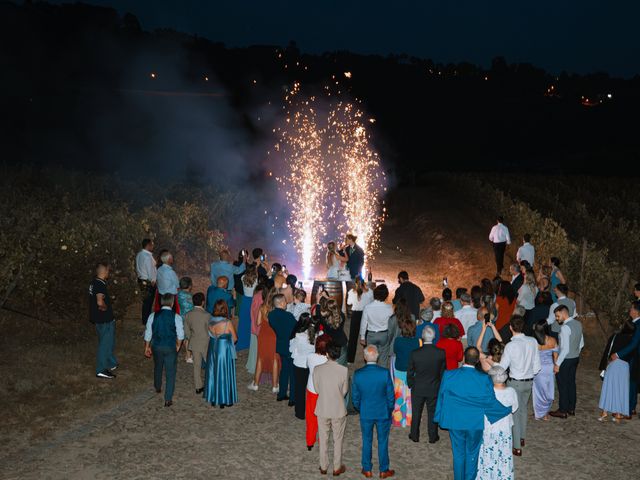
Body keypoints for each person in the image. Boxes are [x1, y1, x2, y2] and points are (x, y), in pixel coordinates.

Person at [435, 347, 511, 480]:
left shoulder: (449, 375)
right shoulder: (484, 379)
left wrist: (438, 416)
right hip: (474, 423)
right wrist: (506, 409)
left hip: (455, 421)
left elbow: (441, 396)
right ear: (477, 361)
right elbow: (490, 401)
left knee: (458, 454)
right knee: (472, 454)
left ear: (464, 357)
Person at [493, 316, 541, 455]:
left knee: (514, 412)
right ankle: (521, 438)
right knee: (523, 410)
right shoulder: (532, 341)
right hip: (529, 381)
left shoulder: (511, 345)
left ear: (510, 328)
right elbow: (537, 365)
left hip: (515, 382)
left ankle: (516, 447)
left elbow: (502, 367)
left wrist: (491, 364)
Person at [352, 345, 395, 479]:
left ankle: (367, 469)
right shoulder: (384, 373)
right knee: (383, 441)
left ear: (365, 357)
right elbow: (390, 395)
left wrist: (360, 407)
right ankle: (383, 469)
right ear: (377, 357)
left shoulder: (358, 374)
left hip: (366, 412)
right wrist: (389, 409)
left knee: (367, 440)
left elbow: (355, 397)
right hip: (382, 412)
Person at [313, 342, 349, 476]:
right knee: (338, 439)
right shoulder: (343, 370)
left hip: (322, 407)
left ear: (327, 354)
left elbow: (317, 389)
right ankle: (337, 467)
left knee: (323, 438)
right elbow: (344, 391)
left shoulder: (317, 369)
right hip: (338, 409)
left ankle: (323, 466)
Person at [477, 366, 519, 480]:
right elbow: (514, 408)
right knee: (504, 454)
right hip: (505, 429)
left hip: (488, 429)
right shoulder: (511, 391)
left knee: (487, 454)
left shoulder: (486, 393)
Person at [143, 293, 184, 407]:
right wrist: (178, 346)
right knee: (171, 372)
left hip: (156, 346)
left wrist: (147, 347)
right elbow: (180, 335)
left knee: (158, 366)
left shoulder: (153, 316)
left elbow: (148, 332)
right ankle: (168, 398)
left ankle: (157, 386)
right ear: (172, 303)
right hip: (170, 346)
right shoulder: (176, 317)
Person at [408, 326, 446, 444]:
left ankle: (414, 435)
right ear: (434, 337)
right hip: (434, 387)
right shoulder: (440, 353)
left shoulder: (415, 353)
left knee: (416, 413)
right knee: (432, 413)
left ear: (422, 337)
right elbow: (443, 371)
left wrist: (411, 384)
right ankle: (433, 436)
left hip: (418, 387)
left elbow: (410, 371)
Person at [549, 305, 584, 418]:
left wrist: (557, 364)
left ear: (564, 313)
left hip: (565, 359)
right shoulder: (578, 324)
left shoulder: (564, 328)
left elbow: (565, 349)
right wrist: (576, 353)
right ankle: (571, 408)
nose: (556, 318)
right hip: (575, 358)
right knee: (571, 383)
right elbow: (581, 343)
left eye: (557, 316)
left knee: (563, 385)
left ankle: (563, 410)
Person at [203, 300, 238, 408]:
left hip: (213, 347)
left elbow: (210, 334)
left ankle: (213, 397)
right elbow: (235, 338)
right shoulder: (227, 323)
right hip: (223, 348)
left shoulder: (210, 320)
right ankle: (223, 399)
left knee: (213, 371)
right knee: (223, 372)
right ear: (225, 309)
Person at [599, 319, 634, 422]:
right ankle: (618, 414)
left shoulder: (615, 337)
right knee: (621, 389)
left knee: (609, 388)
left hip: (613, 364)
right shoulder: (632, 341)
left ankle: (604, 413)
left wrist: (603, 366)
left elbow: (607, 351)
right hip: (625, 366)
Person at [609, 300, 640, 417]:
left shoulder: (638, 325)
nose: (630, 311)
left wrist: (618, 354)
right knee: (633, 382)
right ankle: (631, 408)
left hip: (635, 357)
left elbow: (634, 344)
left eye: (631, 309)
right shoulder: (636, 323)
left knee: (631, 383)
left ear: (636, 312)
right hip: (634, 356)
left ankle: (627, 410)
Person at [248, 287, 280, 392]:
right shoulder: (278, 309)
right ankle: (275, 386)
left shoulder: (263, 307)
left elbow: (258, 323)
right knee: (274, 359)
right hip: (274, 335)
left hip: (263, 335)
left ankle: (256, 384)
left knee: (260, 358)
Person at [89, 262, 117, 379]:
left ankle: (110, 362)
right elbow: (100, 302)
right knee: (105, 344)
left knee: (107, 342)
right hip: (104, 319)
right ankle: (101, 369)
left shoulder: (93, 283)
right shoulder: (100, 284)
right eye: (108, 271)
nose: (108, 273)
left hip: (98, 318)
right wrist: (105, 308)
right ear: (104, 271)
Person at [392, 314, 420, 428]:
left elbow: (395, 351)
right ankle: (410, 417)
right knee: (410, 395)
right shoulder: (418, 341)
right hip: (412, 371)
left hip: (399, 369)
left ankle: (399, 418)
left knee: (399, 395)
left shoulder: (398, 340)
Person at [268, 294, 297, 405]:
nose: (287, 303)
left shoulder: (271, 315)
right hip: (290, 346)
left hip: (280, 345)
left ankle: (281, 394)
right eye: (285, 301)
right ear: (281, 303)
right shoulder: (288, 316)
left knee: (284, 369)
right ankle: (293, 398)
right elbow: (295, 328)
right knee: (292, 372)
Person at [306, 334, 331, 450]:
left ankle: (310, 441)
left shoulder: (310, 357)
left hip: (312, 390)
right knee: (324, 418)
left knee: (311, 417)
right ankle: (323, 441)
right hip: (324, 392)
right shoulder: (328, 360)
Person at [290, 313, 316, 420]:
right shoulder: (315, 335)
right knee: (312, 389)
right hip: (312, 364)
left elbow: (291, 350)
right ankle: (313, 411)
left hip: (299, 364)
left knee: (299, 389)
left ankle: (300, 412)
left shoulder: (298, 336)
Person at [183, 292, 211, 394]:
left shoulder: (188, 315)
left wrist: (191, 337)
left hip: (194, 342)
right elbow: (210, 329)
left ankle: (198, 387)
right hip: (206, 342)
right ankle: (210, 383)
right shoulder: (207, 315)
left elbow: (187, 331)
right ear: (203, 302)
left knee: (197, 366)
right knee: (210, 363)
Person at [360, 284, 394, 367]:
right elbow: (392, 323)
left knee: (370, 358)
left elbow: (364, 323)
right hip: (384, 334)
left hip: (371, 335)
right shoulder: (389, 308)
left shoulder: (367, 307)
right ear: (386, 295)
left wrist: (362, 337)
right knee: (383, 358)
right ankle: (382, 376)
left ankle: (371, 374)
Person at [532, 320, 558, 420]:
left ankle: (539, 413)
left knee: (538, 391)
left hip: (538, 369)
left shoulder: (534, 341)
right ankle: (545, 413)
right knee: (548, 390)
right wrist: (556, 366)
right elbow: (555, 356)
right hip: (549, 368)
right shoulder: (552, 340)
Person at [346, 277, 374, 363]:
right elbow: (372, 302)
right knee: (365, 336)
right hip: (366, 314)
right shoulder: (369, 292)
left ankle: (350, 360)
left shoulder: (351, 292)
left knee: (353, 338)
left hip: (355, 315)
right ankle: (368, 359)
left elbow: (348, 303)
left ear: (356, 283)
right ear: (364, 283)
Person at [236, 264, 258, 352]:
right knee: (252, 321)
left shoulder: (243, 277)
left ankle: (242, 341)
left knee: (243, 321)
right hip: (253, 301)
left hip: (245, 301)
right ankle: (251, 341)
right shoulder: (256, 279)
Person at [319, 298, 348, 366]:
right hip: (342, 342)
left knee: (331, 366)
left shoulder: (324, 320)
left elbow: (319, 313)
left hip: (331, 344)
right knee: (343, 366)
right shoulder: (342, 316)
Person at [136, 238, 157, 325]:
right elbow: (150, 270)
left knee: (146, 302)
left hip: (141, 280)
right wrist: (153, 281)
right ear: (148, 245)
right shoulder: (147, 257)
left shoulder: (139, 254)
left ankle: (145, 320)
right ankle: (146, 321)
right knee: (148, 302)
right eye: (152, 245)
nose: (153, 246)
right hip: (148, 281)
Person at [246, 283, 265, 375]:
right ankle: (256, 366)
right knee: (257, 348)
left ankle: (253, 365)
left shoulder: (256, 295)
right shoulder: (261, 296)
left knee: (254, 347)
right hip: (259, 326)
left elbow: (253, 311)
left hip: (254, 325)